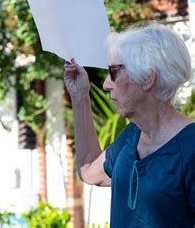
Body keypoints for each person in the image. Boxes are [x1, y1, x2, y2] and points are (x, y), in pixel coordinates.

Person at [64, 23, 194, 227]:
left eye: (113, 71)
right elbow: (89, 170)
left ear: (148, 78)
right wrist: (80, 95)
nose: (107, 83)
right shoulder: (132, 135)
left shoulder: (190, 147)